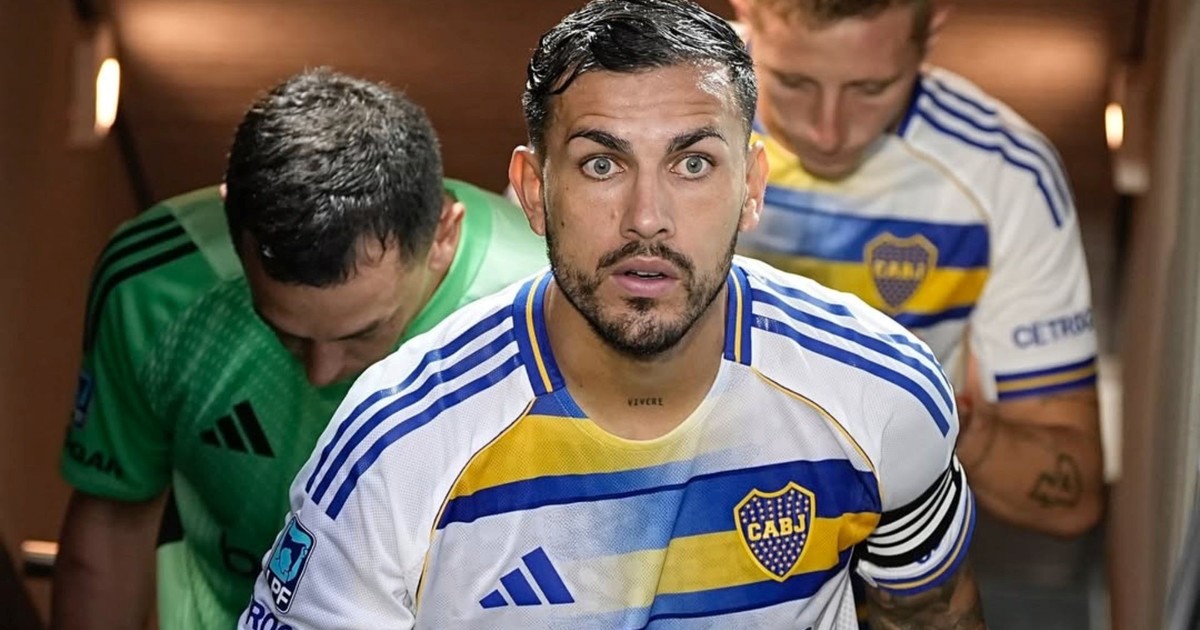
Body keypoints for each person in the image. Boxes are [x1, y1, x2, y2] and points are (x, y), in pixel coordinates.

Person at [241, 2, 985, 627]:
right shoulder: (394, 444)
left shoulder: (881, 391)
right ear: (534, 191)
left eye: (693, 164)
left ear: (752, 187)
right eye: (602, 164)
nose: (647, 218)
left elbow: (928, 611)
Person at [52, 69, 547, 630]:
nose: (322, 372)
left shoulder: (546, 304)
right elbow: (114, 523)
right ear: (233, 230)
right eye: (285, 333)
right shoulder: (154, 286)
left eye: (363, 333)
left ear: (443, 235)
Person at [727, 0, 1103, 539]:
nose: (828, 131)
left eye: (871, 88)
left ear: (933, 24)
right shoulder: (646, 116)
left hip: (883, 564)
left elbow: (1074, 494)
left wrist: (915, 403)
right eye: (793, 81)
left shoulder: (1005, 176)